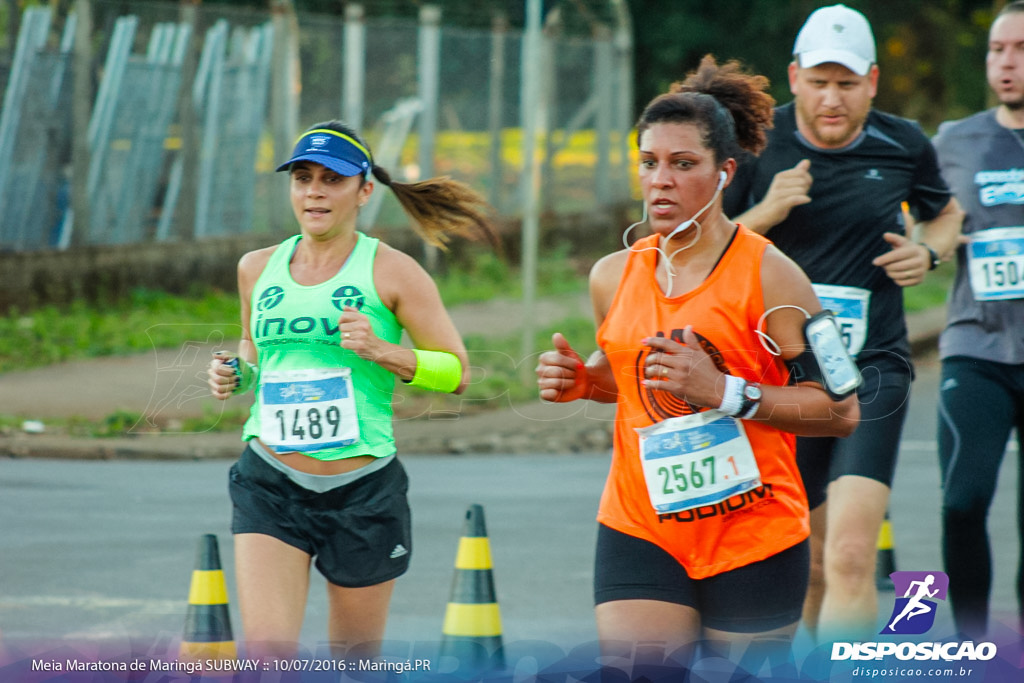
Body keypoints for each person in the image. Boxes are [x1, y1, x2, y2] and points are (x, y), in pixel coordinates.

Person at [535, 55, 859, 670]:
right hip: (642, 526)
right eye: (649, 163)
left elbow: (842, 410)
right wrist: (586, 383)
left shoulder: (774, 275)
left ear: (723, 174)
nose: (661, 180)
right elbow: (636, 383)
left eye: (683, 165)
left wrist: (728, 392)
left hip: (753, 534)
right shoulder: (612, 276)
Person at [206, 120, 497, 658]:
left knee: (355, 662)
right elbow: (255, 353)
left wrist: (385, 352)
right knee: (268, 657)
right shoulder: (256, 268)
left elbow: (459, 373)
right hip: (270, 482)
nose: (314, 191)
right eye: (302, 177)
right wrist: (235, 373)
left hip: (362, 491)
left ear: (364, 191)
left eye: (331, 180)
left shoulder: (394, 272)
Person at [722, 4, 963, 640]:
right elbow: (701, 248)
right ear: (795, 76)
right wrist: (765, 213)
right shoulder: (751, 144)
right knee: (808, 564)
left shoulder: (904, 142)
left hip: (872, 369)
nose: (833, 99)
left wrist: (929, 251)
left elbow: (946, 214)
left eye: (848, 84)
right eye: (820, 82)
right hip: (780, 378)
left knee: (853, 557)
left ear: (873, 82)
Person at [932, 1, 1024, 639]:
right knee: (962, 502)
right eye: (997, 49)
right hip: (978, 346)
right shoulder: (953, 141)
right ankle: (972, 646)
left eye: (1020, 49)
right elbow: (927, 225)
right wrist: (930, 242)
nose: (1007, 62)